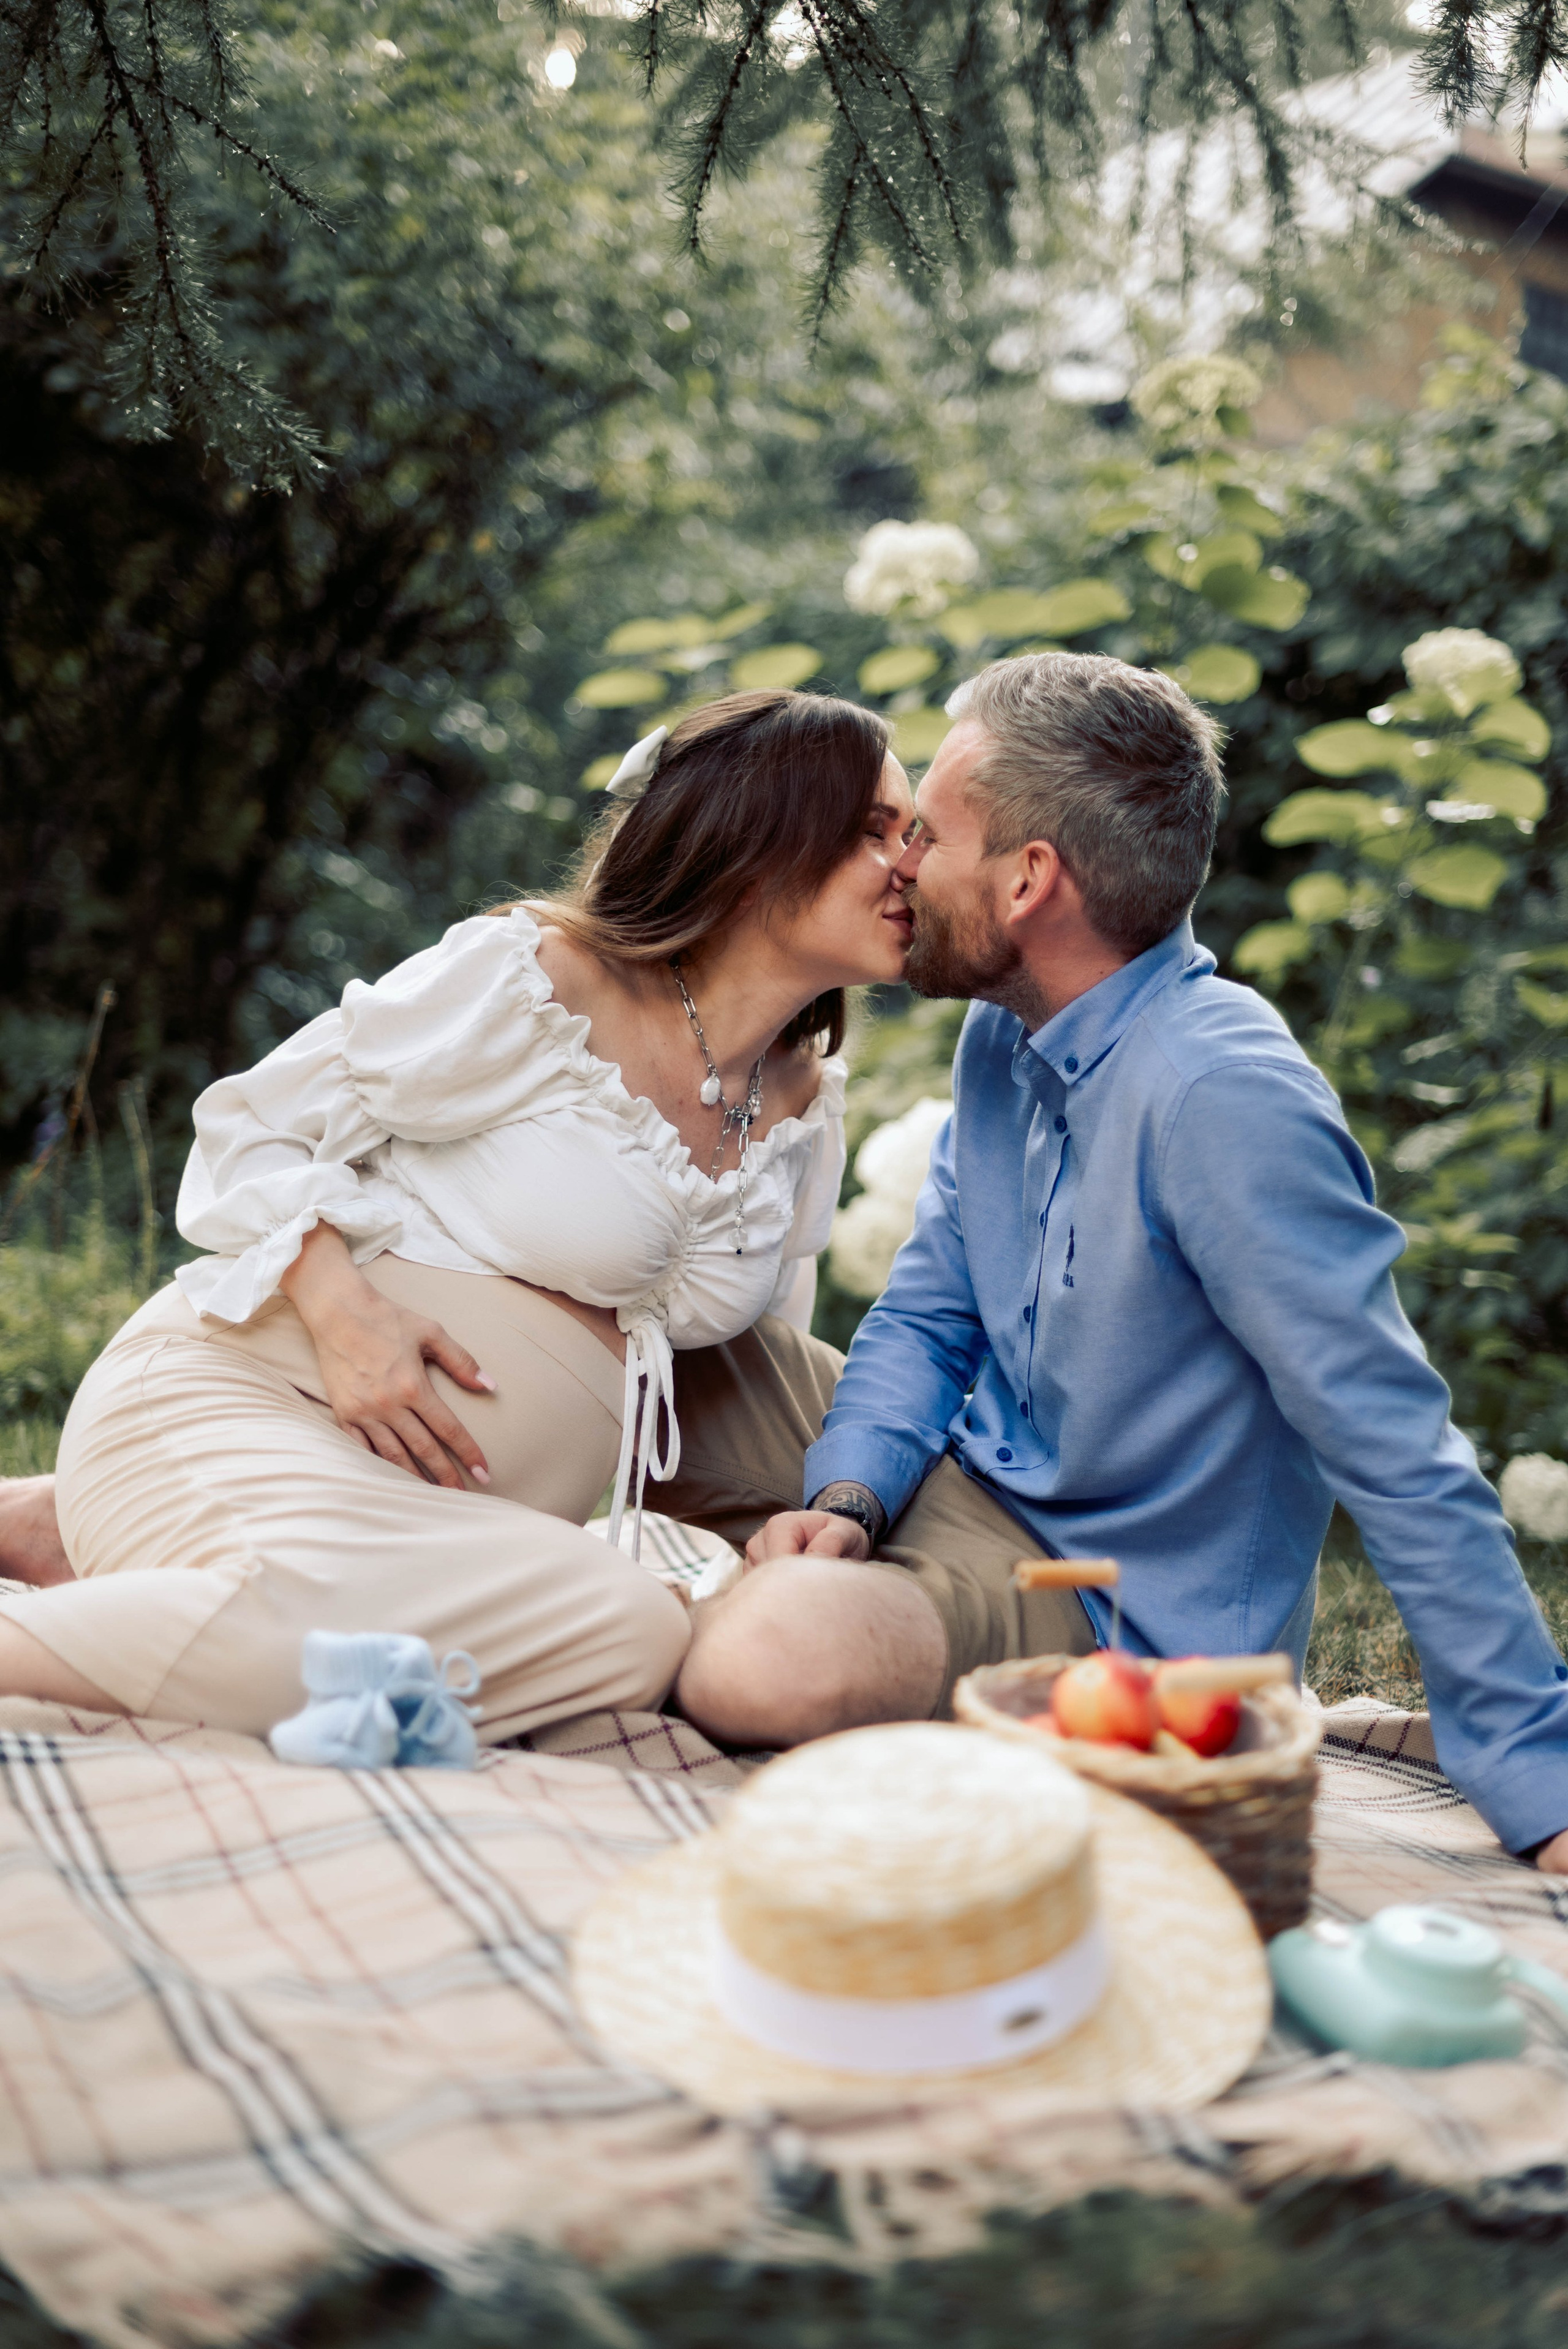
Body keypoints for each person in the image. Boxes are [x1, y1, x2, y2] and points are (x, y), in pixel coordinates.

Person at [650, 650, 1568, 1875]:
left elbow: (1393, 1442)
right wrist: (849, 1498)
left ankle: (753, 1618)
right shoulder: (1003, 1031)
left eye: (929, 833)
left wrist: (1540, 1780)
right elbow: (928, 1318)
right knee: (642, 1363)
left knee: (768, 1661)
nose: (901, 862)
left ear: (1028, 879)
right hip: (962, 1480)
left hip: (1107, 1611)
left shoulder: (1221, 1097)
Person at [0, 688, 917, 1745]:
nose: (911, 864)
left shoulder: (801, 1100)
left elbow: (758, 1353)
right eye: (875, 829)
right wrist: (343, 1313)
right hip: (262, 1398)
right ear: (760, 841)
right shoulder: (544, 981)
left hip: (437, 1525)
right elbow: (251, 1126)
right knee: (296, 1626)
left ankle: (101, 1560)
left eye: (915, 833)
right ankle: (123, 1561)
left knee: (630, 1628)